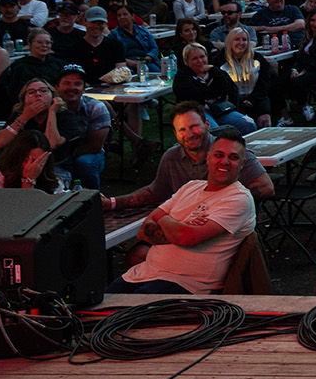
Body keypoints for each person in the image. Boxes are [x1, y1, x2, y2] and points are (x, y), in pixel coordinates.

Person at [107, 128, 256, 295]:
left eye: (233, 157)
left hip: (185, 285)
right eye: (219, 155)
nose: (225, 162)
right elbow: (143, 232)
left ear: (242, 164)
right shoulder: (190, 187)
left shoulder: (238, 199)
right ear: (208, 158)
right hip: (143, 273)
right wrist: (180, 227)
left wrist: (165, 220)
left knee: (119, 317)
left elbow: (184, 237)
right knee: (91, 310)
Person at [103, 102, 274, 213]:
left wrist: (220, 204)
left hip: (227, 227)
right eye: (182, 130)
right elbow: (153, 194)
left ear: (207, 124)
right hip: (185, 226)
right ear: (175, 133)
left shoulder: (231, 152)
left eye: (194, 126)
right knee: (138, 254)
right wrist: (112, 203)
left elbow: (266, 187)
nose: (190, 134)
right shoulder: (171, 157)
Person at [0, 124, 57, 190]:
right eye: (29, 160)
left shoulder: (51, 182)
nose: (34, 166)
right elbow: (18, 208)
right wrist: (28, 181)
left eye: (40, 161)